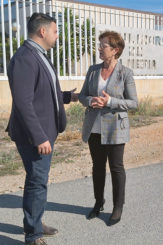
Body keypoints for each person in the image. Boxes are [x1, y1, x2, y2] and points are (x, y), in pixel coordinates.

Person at [6, 13, 78, 245]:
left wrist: (69, 96)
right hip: (34, 136)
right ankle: (33, 235)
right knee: (37, 181)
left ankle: (34, 222)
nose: (58, 36)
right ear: (43, 32)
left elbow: (43, 92)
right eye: (55, 31)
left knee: (38, 180)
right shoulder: (25, 58)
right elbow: (24, 102)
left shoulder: (39, 55)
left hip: (45, 132)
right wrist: (39, 137)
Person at [79, 31, 138, 226]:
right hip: (94, 127)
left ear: (115, 50)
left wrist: (111, 101)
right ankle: (98, 203)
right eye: (100, 44)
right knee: (97, 167)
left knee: (116, 167)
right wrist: (91, 100)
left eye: (104, 45)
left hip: (115, 127)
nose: (99, 48)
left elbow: (133, 103)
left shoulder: (125, 73)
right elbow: (82, 96)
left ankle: (118, 206)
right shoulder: (93, 70)